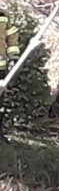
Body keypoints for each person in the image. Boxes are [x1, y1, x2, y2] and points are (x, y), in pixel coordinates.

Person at [0, 9, 20, 144]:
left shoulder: (4, 15)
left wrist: (13, 58)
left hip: (1, 68)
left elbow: (12, 36)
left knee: (0, 102)